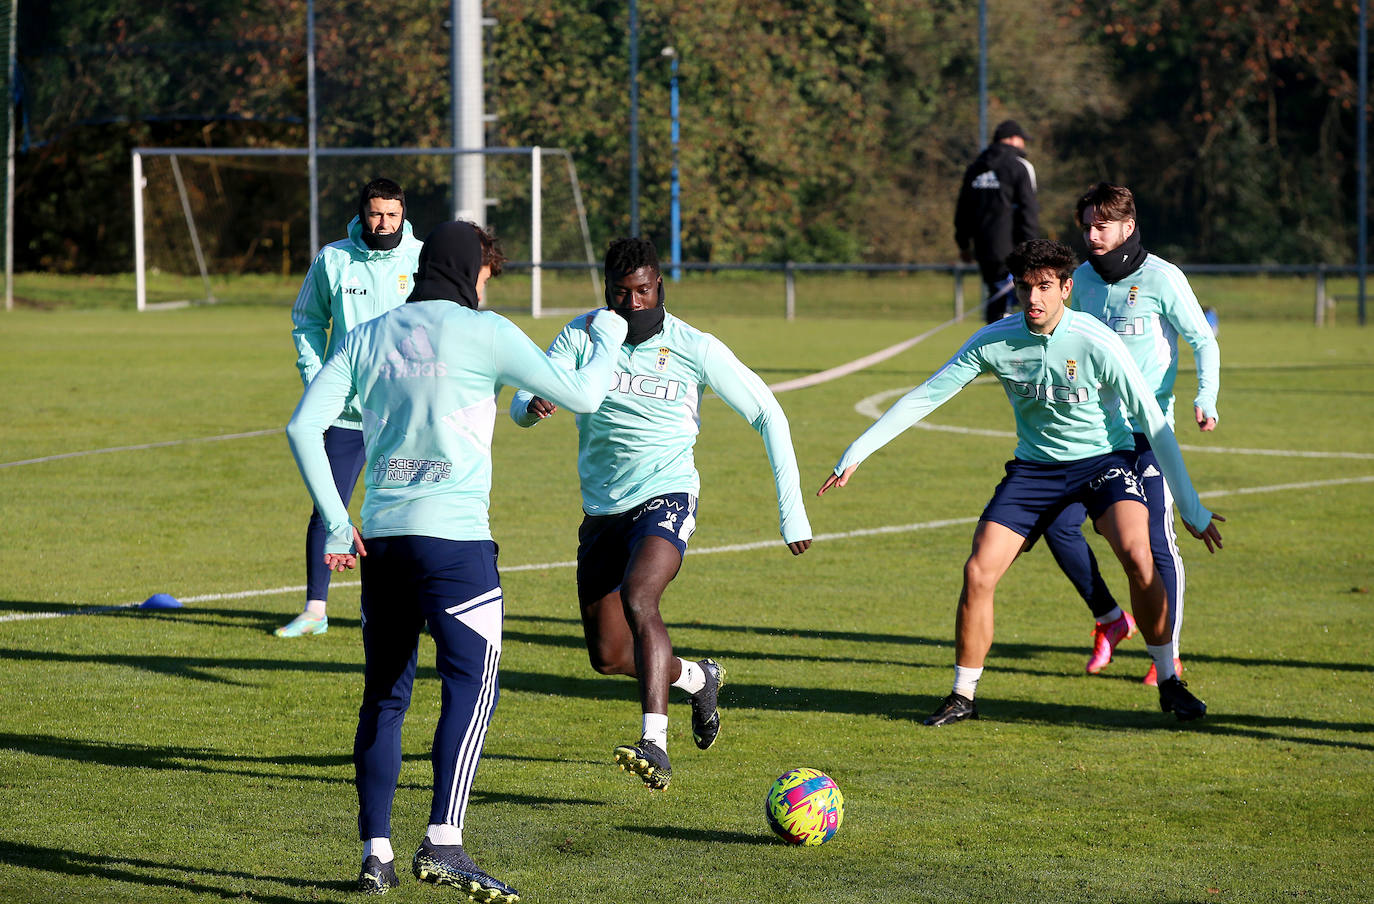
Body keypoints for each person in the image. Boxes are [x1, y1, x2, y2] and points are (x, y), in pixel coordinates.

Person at [285, 220, 628, 898]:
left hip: (382, 543)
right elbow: (582, 395)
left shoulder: (370, 333)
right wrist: (610, 336)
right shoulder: (486, 330)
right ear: (471, 270)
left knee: (384, 695)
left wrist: (333, 522)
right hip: (457, 548)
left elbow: (302, 425)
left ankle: (374, 854)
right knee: (471, 689)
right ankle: (445, 840)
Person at [818, 238, 1224, 727]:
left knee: (1139, 555)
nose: (1034, 298)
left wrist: (1193, 508)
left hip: (1103, 462)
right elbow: (927, 396)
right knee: (978, 571)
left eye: (1045, 287)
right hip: (1034, 471)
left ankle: (1169, 680)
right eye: (1026, 286)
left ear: (1066, 289)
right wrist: (856, 451)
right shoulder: (996, 339)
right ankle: (962, 695)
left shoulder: (1096, 341)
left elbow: (1153, 424)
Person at [509, 236, 812, 790]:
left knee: (640, 596)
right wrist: (532, 404)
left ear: (660, 287)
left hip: (667, 494)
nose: (633, 305)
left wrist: (791, 512)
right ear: (607, 292)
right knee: (608, 656)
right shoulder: (582, 335)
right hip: (602, 509)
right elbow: (522, 398)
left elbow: (769, 412)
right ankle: (698, 678)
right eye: (621, 294)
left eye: (644, 291)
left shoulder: (693, 346)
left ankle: (656, 741)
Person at [1042, 182, 1221, 685]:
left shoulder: (1163, 278)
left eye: (1101, 225)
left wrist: (1205, 398)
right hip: (1091, 434)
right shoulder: (1076, 280)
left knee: (1156, 542)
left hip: (1147, 433)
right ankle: (1110, 618)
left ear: (1127, 226)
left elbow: (1203, 342)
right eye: (1086, 226)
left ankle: (1168, 652)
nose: (1092, 235)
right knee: (1056, 524)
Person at [281, 177, 424, 638]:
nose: (383, 223)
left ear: (403, 214)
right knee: (329, 504)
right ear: (362, 213)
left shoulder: (422, 258)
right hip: (346, 411)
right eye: (375, 214)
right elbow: (306, 320)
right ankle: (315, 610)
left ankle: (421, 605)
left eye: (392, 215)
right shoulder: (333, 258)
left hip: (405, 410)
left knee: (414, 508)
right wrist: (316, 378)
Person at [955, 119, 1040, 323]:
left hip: (984, 249)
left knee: (996, 298)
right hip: (1015, 249)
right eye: (1022, 140)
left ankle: (992, 345)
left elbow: (963, 211)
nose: (1024, 145)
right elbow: (1028, 210)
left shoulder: (975, 168)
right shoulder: (1020, 167)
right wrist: (1032, 249)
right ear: (1011, 139)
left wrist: (964, 244)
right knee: (1019, 300)